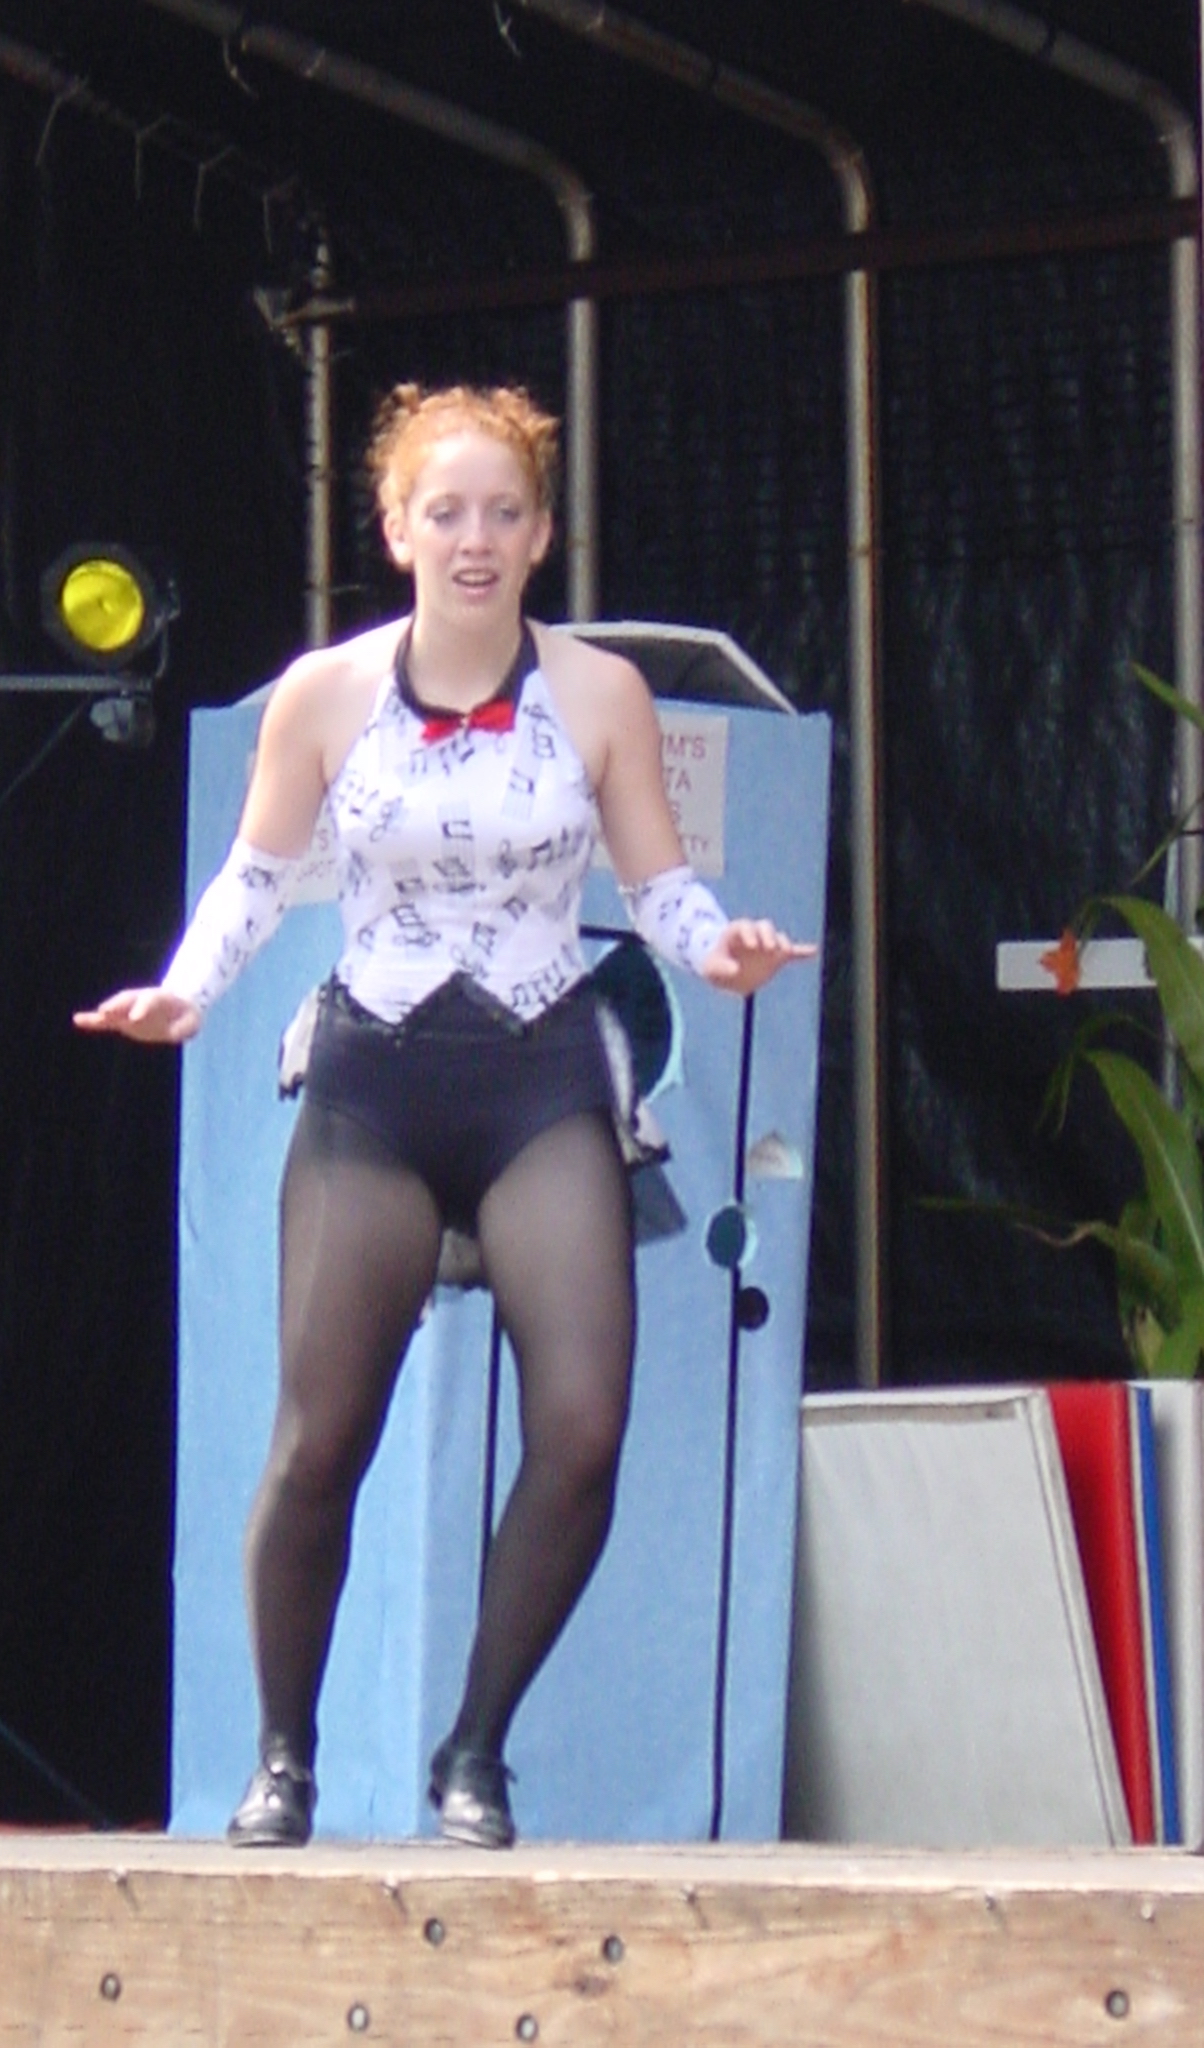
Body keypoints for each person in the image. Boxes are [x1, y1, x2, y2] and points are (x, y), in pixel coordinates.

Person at [74, 382, 814, 1850]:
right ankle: (282, 1756)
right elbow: (254, 875)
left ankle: (475, 1748)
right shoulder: (326, 693)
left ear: (540, 536)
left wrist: (718, 947)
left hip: (541, 1070)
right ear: (397, 528)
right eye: (447, 512)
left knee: (584, 1426)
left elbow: (659, 885)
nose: (475, 539)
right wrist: (186, 990)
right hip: (378, 1077)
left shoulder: (600, 694)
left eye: (503, 513)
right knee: (319, 1440)